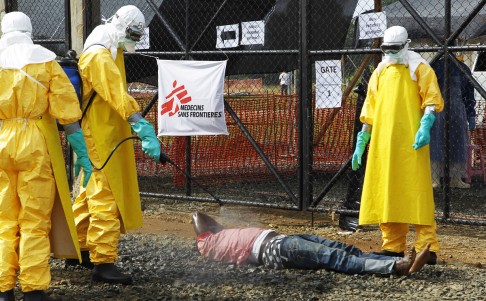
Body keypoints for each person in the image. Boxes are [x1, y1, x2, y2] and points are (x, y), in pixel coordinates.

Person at [65, 5, 163, 285]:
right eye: (132, 34)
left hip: (103, 131)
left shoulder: (107, 46)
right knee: (105, 196)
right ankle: (104, 262)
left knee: (89, 191)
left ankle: (79, 246)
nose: (132, 40)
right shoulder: (99, 54)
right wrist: (142, 125)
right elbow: (116, 93)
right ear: (122, 27)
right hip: (100, 134)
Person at [0, 11, 92, 301]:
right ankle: (33, 290)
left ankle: (3, 290)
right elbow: (67, 114)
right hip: (35, 142)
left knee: (4, 220)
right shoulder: (46, 61)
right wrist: (82, 154)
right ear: (29, 31)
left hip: (2, 140)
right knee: (34, 220)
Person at [351, 26, 444, 265]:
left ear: (407, 44)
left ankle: (427, 247)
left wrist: (425, 125)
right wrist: (362, 141)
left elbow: (431, 100)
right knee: (388, 192)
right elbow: (370, 110)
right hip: (384, 143)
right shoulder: (380, 72)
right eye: (387, 49)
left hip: (411, 142)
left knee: (418, 192)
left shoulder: (420, 68)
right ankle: (392, 245)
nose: (391, 53)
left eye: (395, 48)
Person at [192, 211, 431, 276]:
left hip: (282, 241)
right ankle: (398, 268)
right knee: (338, 259)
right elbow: (197, 215)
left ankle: (398, 260)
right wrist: (214, 228)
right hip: (276, 251)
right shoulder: (206, 244)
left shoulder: (217, 238)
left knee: (344, 249)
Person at [430, 54, 476, 189]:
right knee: (437, 144)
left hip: (451, 110)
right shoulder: (439, 66)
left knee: (456, 144)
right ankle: (437, 178)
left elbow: (469, 93)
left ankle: (449, 179)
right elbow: (469, 94)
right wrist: (470, 114)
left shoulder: (436, 66)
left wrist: (471, 114)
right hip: (440, 109)